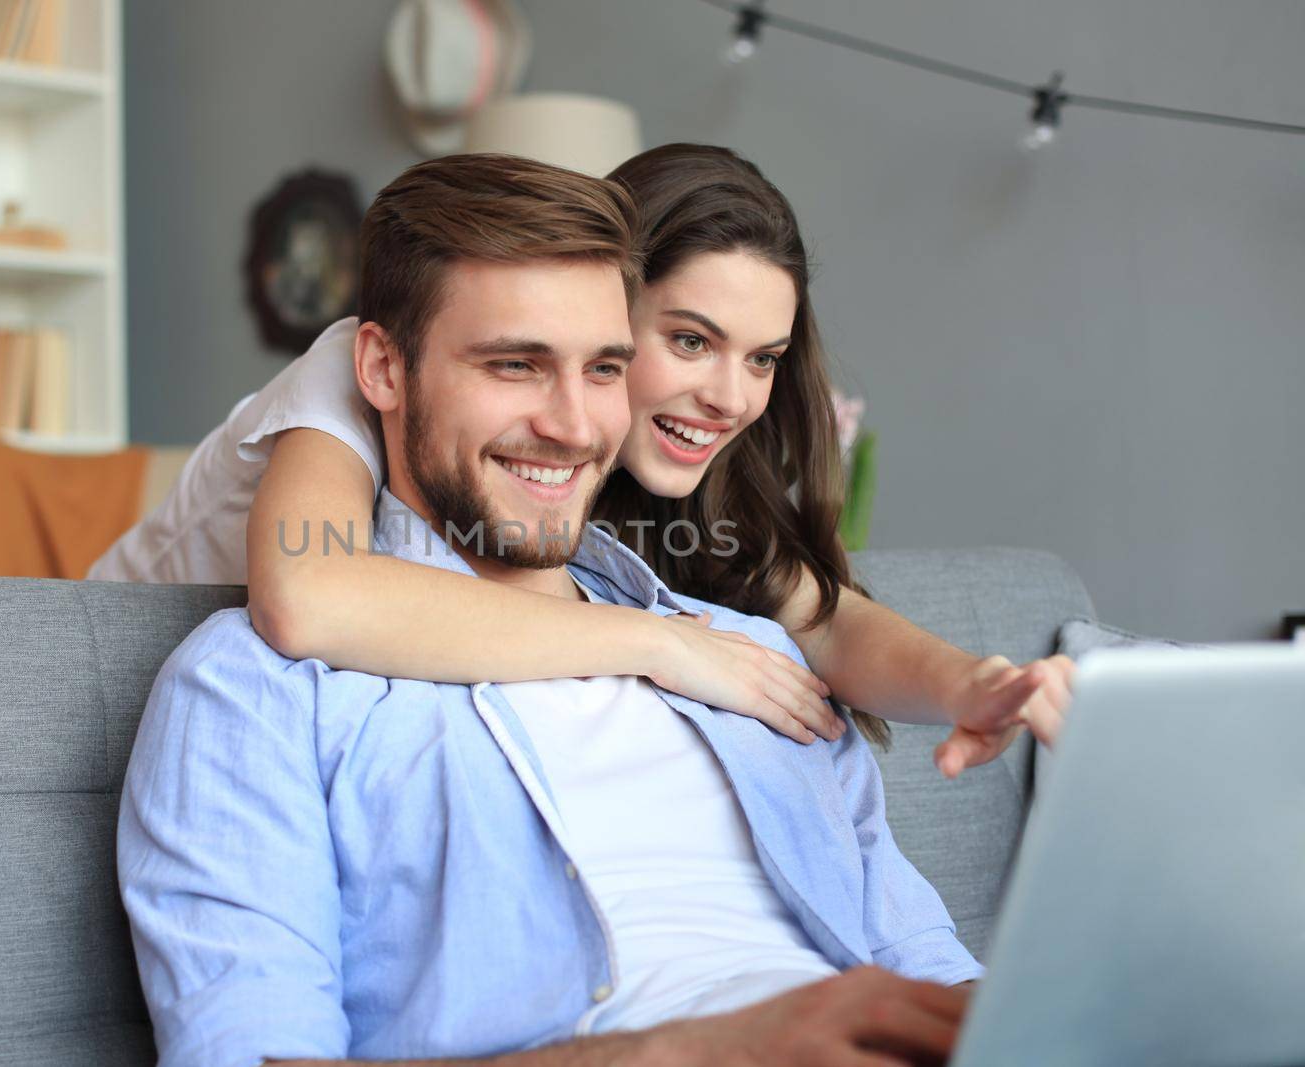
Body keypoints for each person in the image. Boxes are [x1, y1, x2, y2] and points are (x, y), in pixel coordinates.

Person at [120, 153, 990, 1067]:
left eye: (607, 367)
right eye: (515, 364)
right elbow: (306, 594)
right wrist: (697, 1051)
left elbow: (926, 966)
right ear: (380, 365)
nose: (575, 427)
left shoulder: (742, 653)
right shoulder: (261, 689)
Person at [91, 144, 1071, 777]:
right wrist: (660, 645)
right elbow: (310, 593)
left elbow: (820, 617)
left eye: (761, 357)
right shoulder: (357, 379)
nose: (730, 396)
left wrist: (971, 685)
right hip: (98, 652)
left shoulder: (617, 492)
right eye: (687, 340)